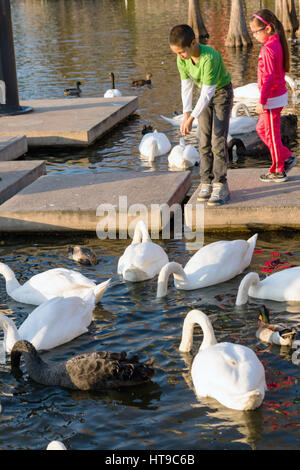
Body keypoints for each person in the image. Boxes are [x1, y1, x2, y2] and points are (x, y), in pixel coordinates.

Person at [169, 24, 233, 206]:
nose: (180, 56)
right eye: (176, 53)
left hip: (221, 93)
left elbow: (207, 93)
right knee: (203, 140)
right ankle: (206, 181)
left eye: (181, 52)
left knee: (217, 141)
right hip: (204, 96)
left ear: (193, 43)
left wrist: (191, 118)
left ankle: (221, 184)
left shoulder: (210, 57)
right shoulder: (181, 59)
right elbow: (186, 86)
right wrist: (186, 113)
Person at [250, 9, 298, 183]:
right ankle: (287, 156)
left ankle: (278, 169)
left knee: (272, 134)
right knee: (262, 130)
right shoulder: (275, 43)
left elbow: (269, 77)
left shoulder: (268, 49)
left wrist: (262, 102)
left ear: (268, 29)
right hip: (274, 97)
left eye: (256, 31)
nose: (254, 35)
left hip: (271, 99)